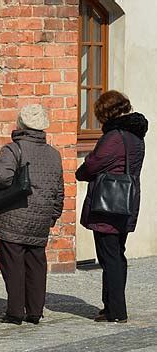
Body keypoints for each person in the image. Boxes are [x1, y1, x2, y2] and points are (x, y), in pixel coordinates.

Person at [0, 104, 64, 325]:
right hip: (41, 217)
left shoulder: (13, 149)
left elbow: (1, 177)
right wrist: (52, 216)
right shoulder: (53, 154)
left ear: (20, 124)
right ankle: (35, 312)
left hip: (14, 215)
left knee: (13, 264)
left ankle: (15, 312)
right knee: (36, 264)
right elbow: (59, 189)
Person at [76, 90, 148, 323]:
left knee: (110, 257)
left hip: (109, 204)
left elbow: (93, 164)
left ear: (105, 112)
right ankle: (111, 306)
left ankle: (116, 311)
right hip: (126, 201)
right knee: (117, 254)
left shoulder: (115, 137)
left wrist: (83, 170)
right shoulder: (135, 136)